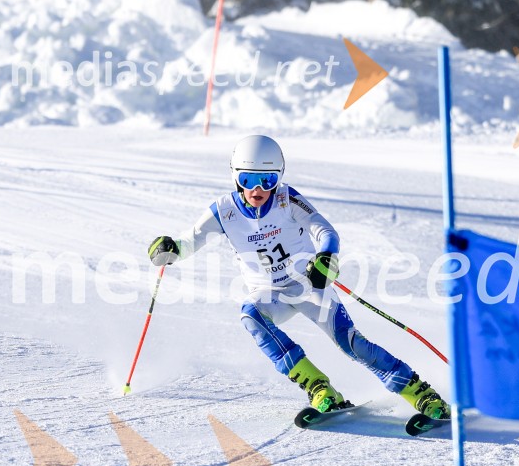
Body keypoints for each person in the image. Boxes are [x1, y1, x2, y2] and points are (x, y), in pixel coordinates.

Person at [148, 135, 450, 419]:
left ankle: (420, 393)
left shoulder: (286, 199)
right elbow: (190, 241)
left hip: (308, 285)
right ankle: (319, 388)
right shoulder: (223, 211)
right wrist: (171, 250)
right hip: (270, 294)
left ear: (278, 177)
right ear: (235, 178)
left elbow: (325, 230)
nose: (258, 189)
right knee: (250, 316)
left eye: (268, 180)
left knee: (350, 344)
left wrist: (325, 257)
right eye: (247, 180)